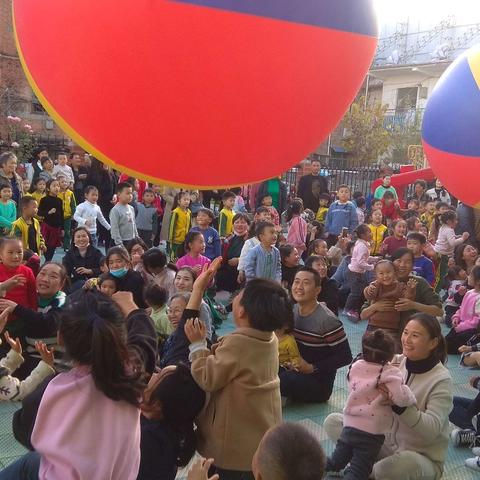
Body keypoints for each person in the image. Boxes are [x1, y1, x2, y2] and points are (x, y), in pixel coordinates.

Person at [0, 291, 146, 480]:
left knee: (31, 461)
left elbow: (23, 429)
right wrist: (133, 308)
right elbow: (144, 338)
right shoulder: (132, 372)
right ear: (120, 335)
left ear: (60, 337)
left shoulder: (53, 390)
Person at [185, 273, 291, 479]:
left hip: (232, 443)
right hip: (259, 431)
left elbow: (207, 377)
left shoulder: (239, 343)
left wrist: (198, 345)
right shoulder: (269, 338)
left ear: (241, 311)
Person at [324, 313, 453, 480]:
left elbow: (431, 430)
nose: (407, 339)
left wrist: (400, 407)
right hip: (383, 443)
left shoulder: (441, 380)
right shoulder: (395, 362)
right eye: (405, 332)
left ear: (433, 343)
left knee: (391, 469)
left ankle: (359, 469)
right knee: (334, 422)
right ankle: (361, 469)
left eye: (415, 335)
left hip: (418, 457)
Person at [326, 330, 416, 480]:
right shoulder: (390, 373)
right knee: (359, 469)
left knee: (337, 460)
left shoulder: (356, 366)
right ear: (390, 355)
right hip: (372, 432)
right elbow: (400, 399)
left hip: (349, 424)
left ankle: (313, 469)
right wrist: (411, 396)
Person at [279, 268, 352, 403]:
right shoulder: (292, 311)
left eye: (306, 283)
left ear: (318, 290)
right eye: (296, 282)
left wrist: (312, 368)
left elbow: (345, 357)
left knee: (284, 379)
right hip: (293, 370)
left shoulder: (327, 320)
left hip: (318, 384)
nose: (299, 287)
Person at [138, 364, 207, 480]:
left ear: (157, 405)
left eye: (159, 375)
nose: (153, 374)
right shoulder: (166, 435)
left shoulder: (147, 441)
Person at [361, 248, 443, 332]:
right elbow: (363, 315)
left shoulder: (418, 283)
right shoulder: (380, 283)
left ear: (412, 265)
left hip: (409, 337)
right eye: (399, 260)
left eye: (408, 262)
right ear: (391, 263)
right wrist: (375, 307)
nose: (402, 265)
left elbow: (439, 311)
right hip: (379, 333)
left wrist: (413, 305)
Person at [362, 260, 417, 347]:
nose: (385, 276)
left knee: (389, 350)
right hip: (373, 325)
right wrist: (369, 290)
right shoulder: (376, 285)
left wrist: (411, 289)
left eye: (388, 272)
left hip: (391, 327)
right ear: (376, 276)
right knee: (370, 347)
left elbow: (407, 299)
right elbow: (369, 295)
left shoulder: (400, 286)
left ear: (394, 272)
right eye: (381, 273)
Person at [344, 224, 377, 321]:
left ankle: (354, 308)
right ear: (362, 235)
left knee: (360, 291)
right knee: (355, 292)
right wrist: (371, 267)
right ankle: (347, 309)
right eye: (369, 232)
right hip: (355, 272)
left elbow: (364, 258)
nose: (371, 234)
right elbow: (360, 262)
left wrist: (374, 259)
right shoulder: (362, 246)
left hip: (356, 272)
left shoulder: (361, 243)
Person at [445, 265, 480, 354]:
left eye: (471, 275)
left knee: (454, 347)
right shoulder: (469, 293)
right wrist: (456, 317)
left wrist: (461, 327)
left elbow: (477, 321)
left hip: (472, 330)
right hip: (461, 326)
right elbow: (461, 308)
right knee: (446, 342)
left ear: (478, 281)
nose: (468, 277)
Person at [434, 210, 469, 293]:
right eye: (455, 220)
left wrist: (456, 236)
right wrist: (463, 238)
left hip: (439, 252)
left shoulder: (443, 227)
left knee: (440, 274)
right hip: (442, 255)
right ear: (449, 221)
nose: (457, 222)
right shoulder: (449, 230)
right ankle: (436, 292)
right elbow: (452, 243)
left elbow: (447, 238)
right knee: (441, 275)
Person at [216, 213, 249, 292]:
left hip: (242, 272)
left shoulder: (250, 239)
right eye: (236, 222)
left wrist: (239, 260)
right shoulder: (228, 238)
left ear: (248, 225)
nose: (239, 225)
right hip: (227, 270)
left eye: (243, 222)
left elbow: (253, 256)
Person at [38, 178, 64, 261]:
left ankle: (48, 261)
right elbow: (39, 213)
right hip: (47, 226)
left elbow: (61, 215)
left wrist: (62, 228)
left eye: (58, 186)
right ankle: (47, 260)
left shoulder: (59, 200)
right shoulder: (44, 200)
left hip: (56, 227)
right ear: (48, 188)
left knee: (53, 246)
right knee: (46, 246)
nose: (57, 188)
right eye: (54, 186)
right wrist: (48, 212)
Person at [110, 182, 138, 247]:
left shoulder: (131, 208)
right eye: (127, 193)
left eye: (131, 193)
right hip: (120, 242)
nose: (130, 195)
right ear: (119, 194)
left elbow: (134, 225)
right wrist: (119, 243)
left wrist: (136, 237)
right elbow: (114, 229)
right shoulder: (115, 210)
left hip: (131, 240)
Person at [168, 191, 192, 260]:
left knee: (183, 257)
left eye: (188, 200)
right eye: (184, 199)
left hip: (185, 240)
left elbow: (190, 225)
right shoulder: (176, 212)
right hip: (176, 239)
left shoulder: (189, 212)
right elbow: (172, 226)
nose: (187, 201)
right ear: (179, 201)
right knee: (174, 257)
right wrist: (171, 239)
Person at [57, 175, 77, 251]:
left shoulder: (70, 193)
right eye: (62, 182)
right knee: (57, 231)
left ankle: (66, 246)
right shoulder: (56, 193)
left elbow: (73, 205)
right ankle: (56, 245)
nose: (64, 183)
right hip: (58, 216)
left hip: (67, 216)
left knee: (67, 232)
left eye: (65, 182)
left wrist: (73, 214)